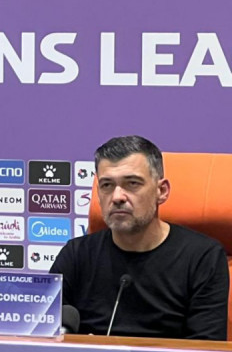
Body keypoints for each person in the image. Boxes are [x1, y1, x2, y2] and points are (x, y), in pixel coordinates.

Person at [50, 135, 228, 340]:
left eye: (132, 183)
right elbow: (43, 334)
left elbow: (206, 350)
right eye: (107, 185)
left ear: (161, 191)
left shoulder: (202, 257)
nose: (117, 197)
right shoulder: (76, 254)